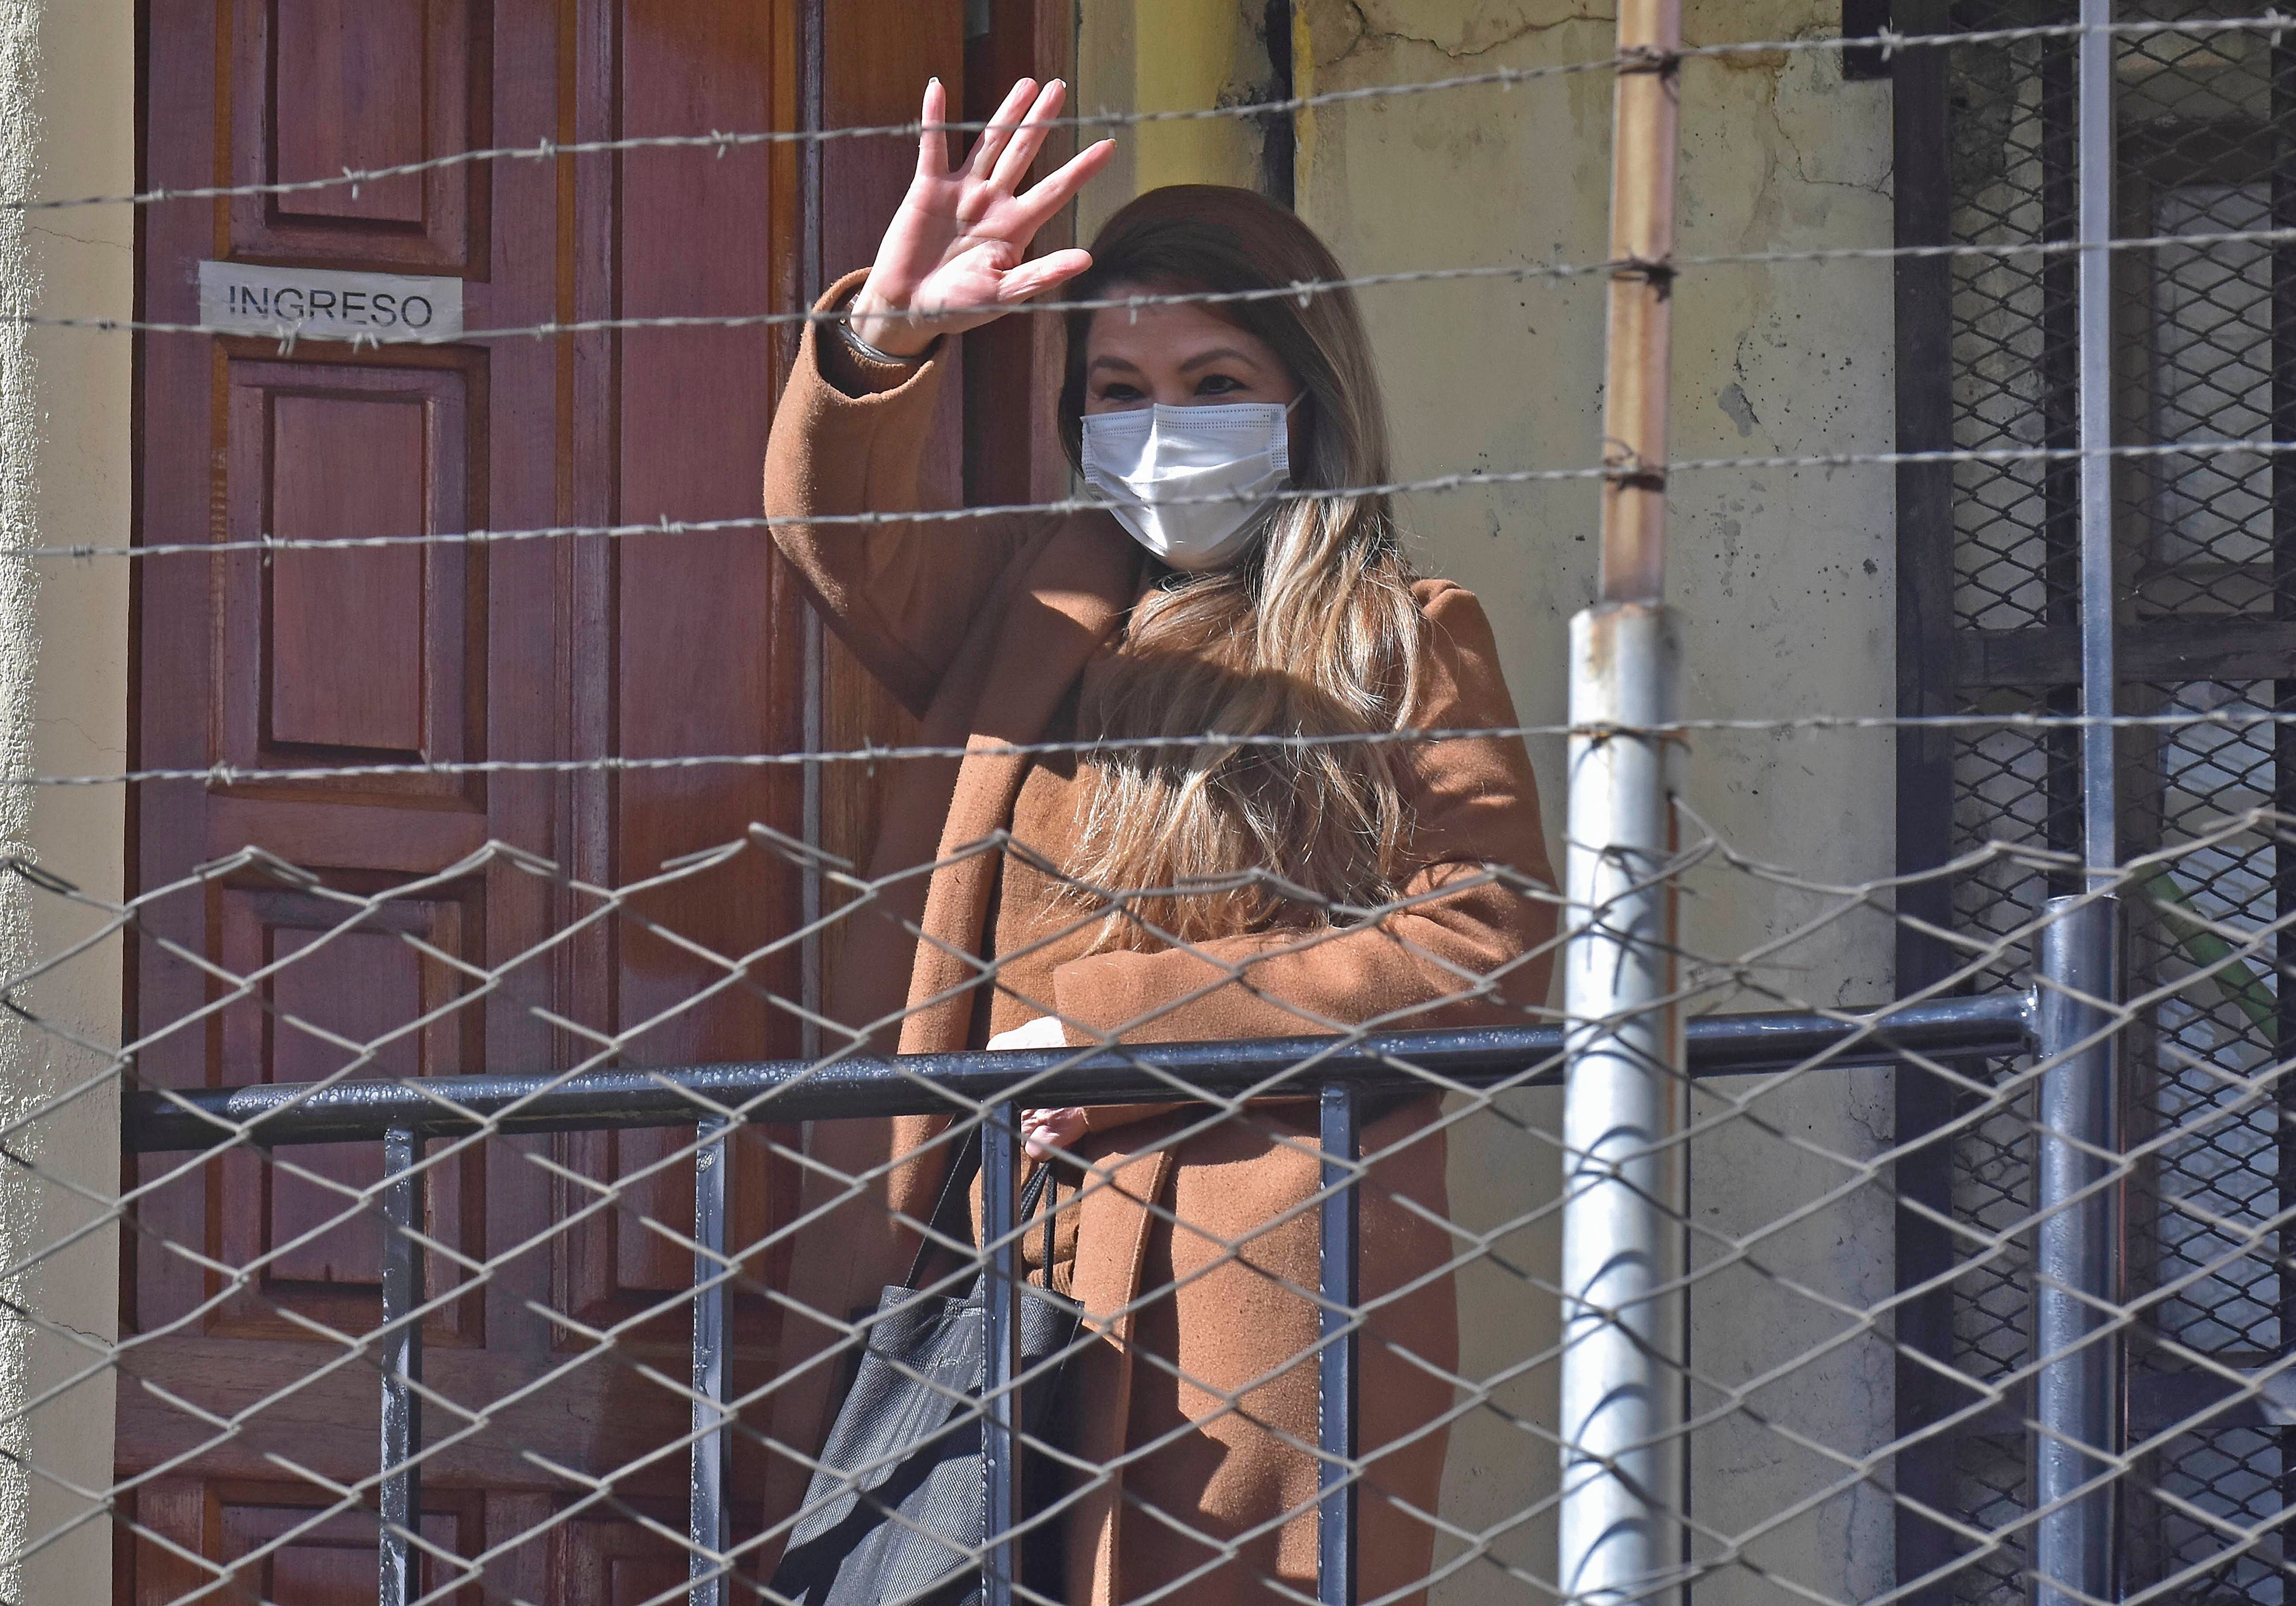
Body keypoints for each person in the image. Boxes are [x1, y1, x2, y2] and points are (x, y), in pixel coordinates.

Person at [760, 74, 1557, 1606]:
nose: (1159, 424)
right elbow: (834, 539)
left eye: (1210, 380)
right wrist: (890, 334)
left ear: (1305, 396)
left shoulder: (1398, 636)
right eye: (1116, 390)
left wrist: (1116, 1026)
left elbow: (1486, 935)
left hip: (1242, 1267)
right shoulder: (1029, 599)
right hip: (986, 1251)